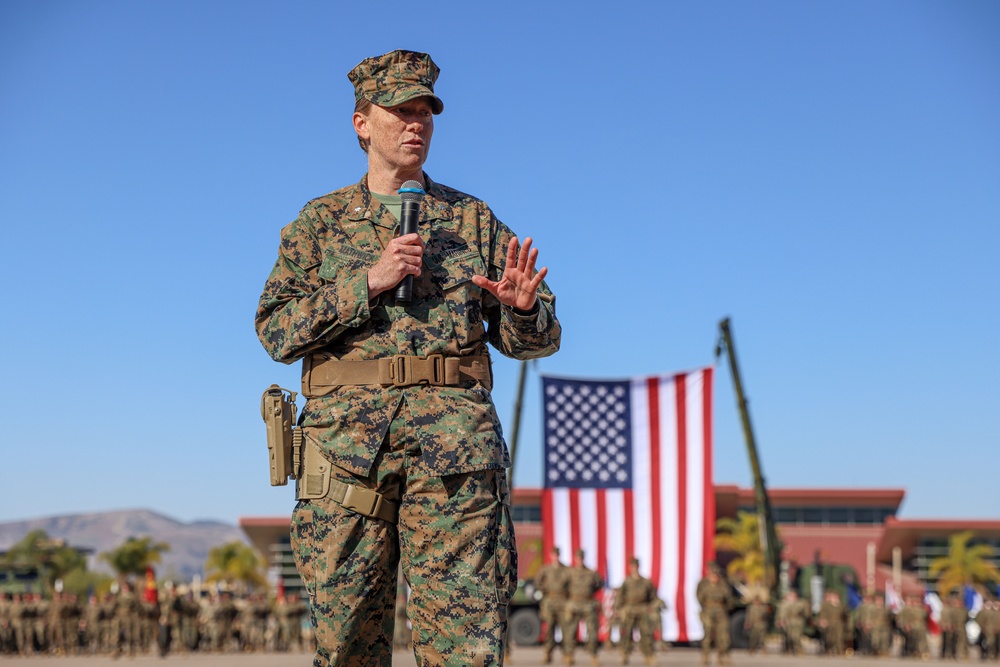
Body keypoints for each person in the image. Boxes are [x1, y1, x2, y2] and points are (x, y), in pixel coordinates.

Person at [255, 49, 561, 667]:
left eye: (425, 111)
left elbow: (540, 340)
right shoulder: (317, 226)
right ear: (362, 124)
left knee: (466, 651)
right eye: (400, 111)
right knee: (346, 649)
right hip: (345, 462)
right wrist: (365, 282)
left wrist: (523, 310)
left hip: (456, 462)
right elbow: (274, 330)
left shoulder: (472, 222)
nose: (416, 123)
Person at [562, 548, 603, 665]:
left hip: (588, 604)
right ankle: (569, 655)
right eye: (578, 558)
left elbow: (599, 583)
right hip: (574, 604)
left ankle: (594, 655)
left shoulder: (591, 573)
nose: (579, 560)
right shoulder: (569, 573)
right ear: (575, 559)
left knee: (592, 631)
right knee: (570, 632)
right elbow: (563, 585)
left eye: (581, 558)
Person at [614, 557, 658, 665]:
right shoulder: (626, 582)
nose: (634, 568)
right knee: (626, 634)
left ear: (638, 566)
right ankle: (625, 654)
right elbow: (620, 597)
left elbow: (653, 597)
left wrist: (652, 607)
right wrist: (618, 610)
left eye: (636, 566)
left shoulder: (646, 582)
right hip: (629, 610)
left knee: (646, 634)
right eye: (632, 566)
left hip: (642, 609)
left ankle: (649, 655)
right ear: (630, 567)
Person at [535, 546, 570, 664]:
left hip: (562, 602)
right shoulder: (546, 569)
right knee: (549, 629)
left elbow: (571, 584)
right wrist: (545, 589)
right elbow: (537, 582)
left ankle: (567, 655)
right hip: (549, 602)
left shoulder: (566, 569)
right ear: (551, 555)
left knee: (566, 630)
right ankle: (548, 653)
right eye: (554, 554)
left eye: (557, 554)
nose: (556, 557)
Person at [696, 563, 732, 665]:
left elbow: (728, 598)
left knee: (723, 635)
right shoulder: (703, 584)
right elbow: (699, 597)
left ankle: (722, 656)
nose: (714, 576)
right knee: (707, 634)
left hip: (721, 611)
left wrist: (725, 608)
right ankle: (705, 656)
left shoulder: (723, 583)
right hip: (708, 611)